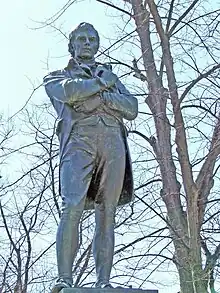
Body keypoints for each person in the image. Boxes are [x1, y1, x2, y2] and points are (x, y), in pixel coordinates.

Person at [43, 22, 138, 293]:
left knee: (107, 212)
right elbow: (70, 94)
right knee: (72, 206)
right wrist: (101, 88)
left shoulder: (111, 76)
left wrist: (95, 95)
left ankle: (103, 282)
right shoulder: (56, 76)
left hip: (113, 144)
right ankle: (65, 279)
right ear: (72, 45)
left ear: (97, 44)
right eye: (82, 39)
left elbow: (131, 108)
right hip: (78, 142)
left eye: (92, 39)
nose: (87, 43)